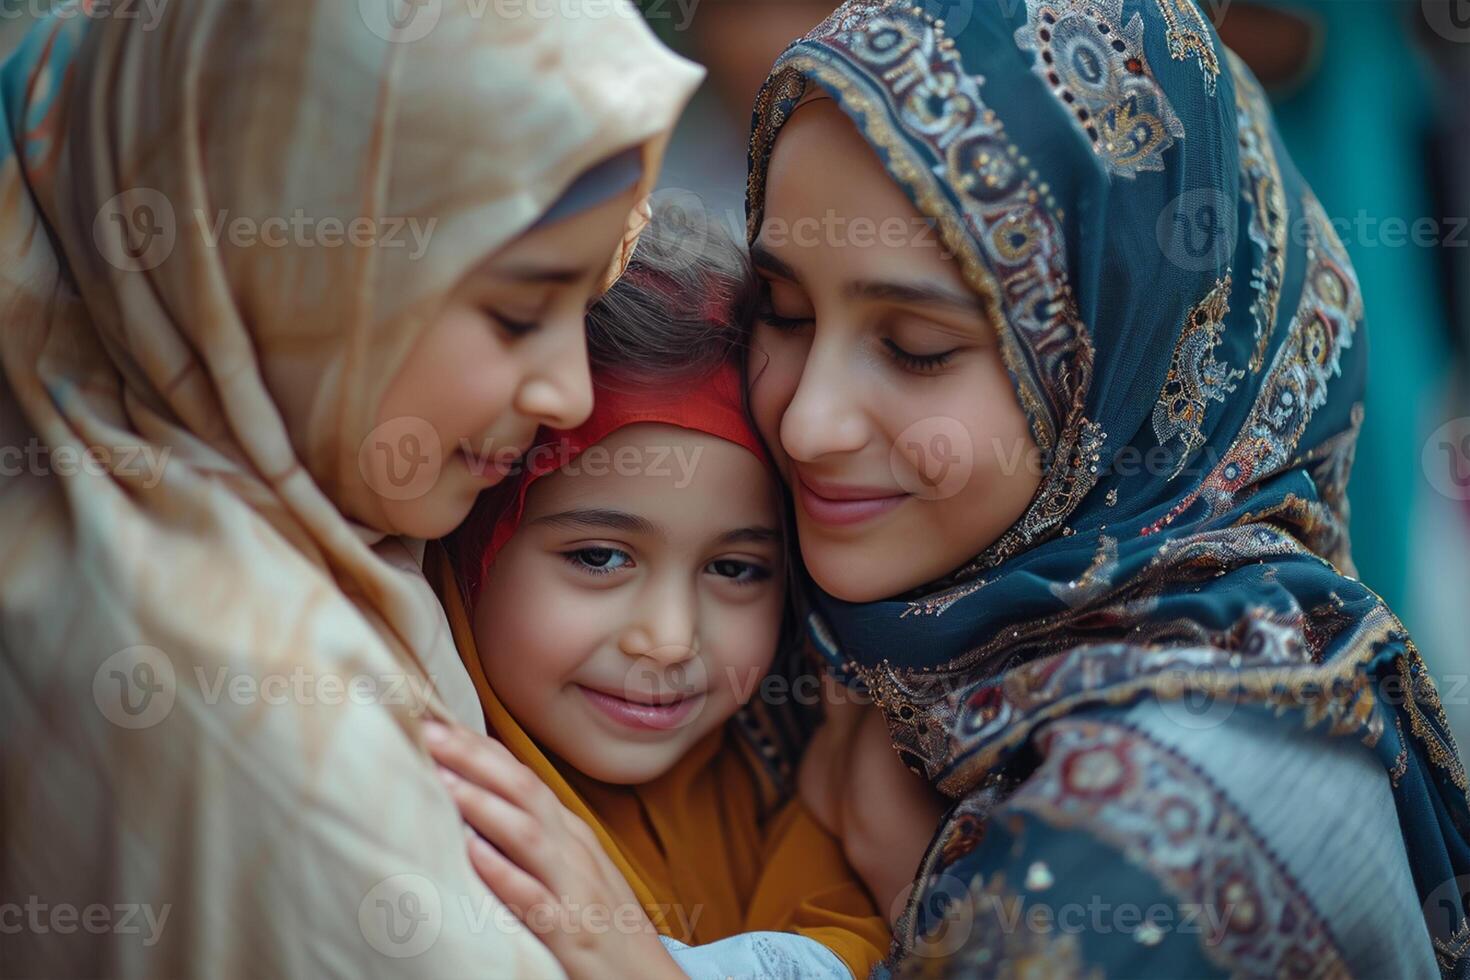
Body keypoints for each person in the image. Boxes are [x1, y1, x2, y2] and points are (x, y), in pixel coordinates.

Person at [741, 0, 1470, 974]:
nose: (806, 420)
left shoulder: (1149, 837)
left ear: (1125, 367)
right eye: (781, 312)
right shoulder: (878, 675)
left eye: (917, 349)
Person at [0, 1, 700, 976]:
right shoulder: (275, 730)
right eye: (514, 311)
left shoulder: (135, 479)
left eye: (584, 306)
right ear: (290, 257)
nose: (568, 392)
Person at [424, 212, 889, 979]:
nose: (670, 640)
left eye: (736, 569)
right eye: (600, 556)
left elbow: (854, 940)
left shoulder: (784, 774)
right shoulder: (436, 811)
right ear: (475, 544)